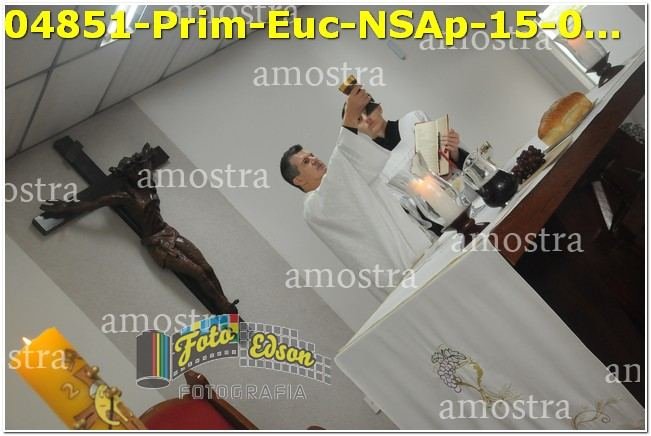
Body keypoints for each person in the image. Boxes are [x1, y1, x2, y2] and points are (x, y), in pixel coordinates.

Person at [280, 86, 434, 300]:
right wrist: (350, 118)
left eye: (312, 155)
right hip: (399, 278)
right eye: (306, 162)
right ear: (298, 180)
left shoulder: (346, 176)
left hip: (423, 250)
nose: (314, 159)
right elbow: (338, 176)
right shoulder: (314, 208)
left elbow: (353, 164)